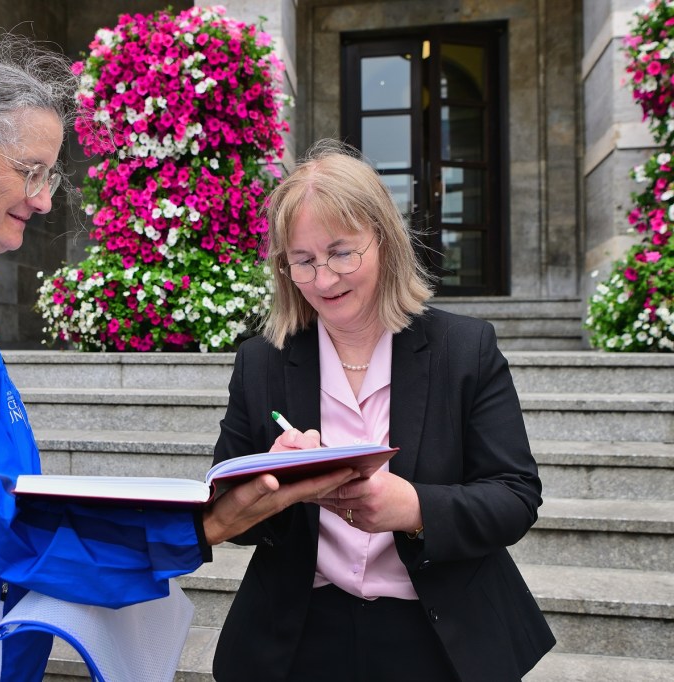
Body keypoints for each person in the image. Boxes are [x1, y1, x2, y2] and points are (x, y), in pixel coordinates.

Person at [0, 40, 357, 682]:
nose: (43, 200)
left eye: (50, 176)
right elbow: (5, 515)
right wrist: (203, 525)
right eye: (30, 171)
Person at [210, 139, 556, 681]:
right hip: (298, 633)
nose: (324, 279)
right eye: (303, 261)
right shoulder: (262, 362)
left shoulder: (464, 349)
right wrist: (271, 481)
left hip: (438, 633)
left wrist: (413, 508)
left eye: (342, 253)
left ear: (385, 241)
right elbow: (227, 514)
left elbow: (515, 496)